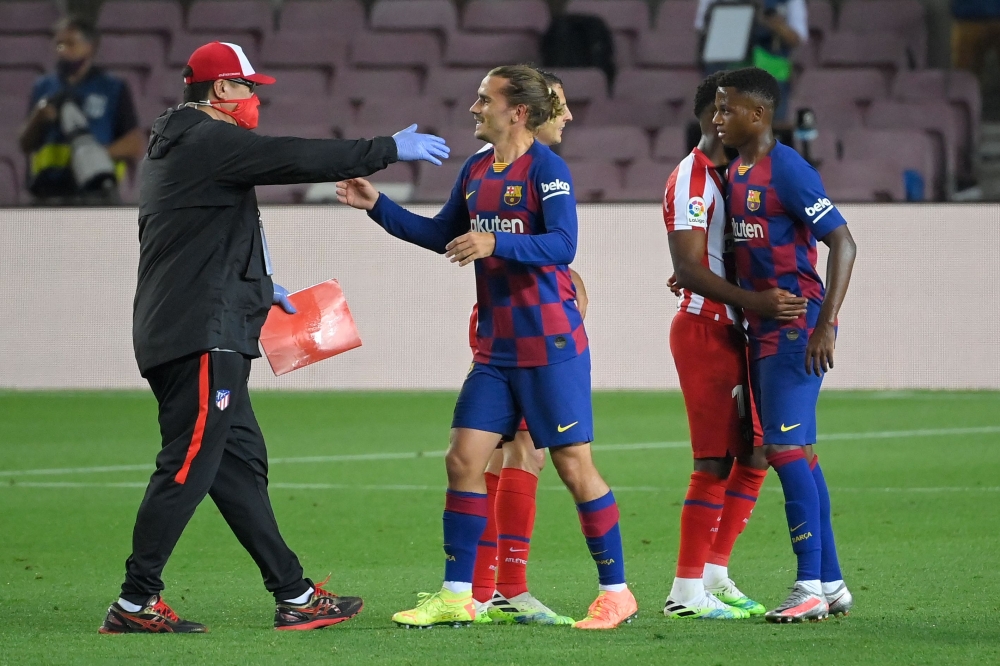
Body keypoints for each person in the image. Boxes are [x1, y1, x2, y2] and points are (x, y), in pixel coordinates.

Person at [99, 41, 449, 634]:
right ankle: (134, 602)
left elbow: (193, 237)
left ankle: (294, 594)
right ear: (220, 92)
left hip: (198, 326)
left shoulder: (182, 143)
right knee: (186, 467)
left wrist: (259, 284)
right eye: (249, 88)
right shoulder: (206, 139)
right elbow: (291, 158)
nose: (256, 99)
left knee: (237, 467)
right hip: (201, 335)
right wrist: (386, 149)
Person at [337, 65, 638, 630]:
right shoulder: (476, 170)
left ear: (516, 111)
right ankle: (459, 594)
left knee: (575, 467)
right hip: (496, 349)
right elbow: (439, 234)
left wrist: (496, 240)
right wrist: (377, 204)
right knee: (463, 459)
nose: (474, 108)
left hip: (550, 344)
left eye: (484, 99)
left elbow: (564, 242)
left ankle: (616, 592)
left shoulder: (548, 169)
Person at [713, 67, 857, 623]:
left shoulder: (788, 170)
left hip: (798, 326)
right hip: (766, 328)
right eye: (717, 109)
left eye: (728, 109)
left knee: (785, 451)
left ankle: (809, 585)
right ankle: (834, 581)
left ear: (759, 115)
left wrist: (826, 324)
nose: (719, 118)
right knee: (802, 456)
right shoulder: (739, 170)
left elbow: (843, 241)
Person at [663, 71, 807, 620]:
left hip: (735, 328)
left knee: (754, 451)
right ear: (711, 115)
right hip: (705, 330)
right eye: (721, 111)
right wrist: (757, 301)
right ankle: (685, 590)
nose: (727, 120)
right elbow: (689, 267)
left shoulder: (728, 177)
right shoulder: (692, 180)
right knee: (712, 461)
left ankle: (716, 572)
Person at [468, 70, 585, 626]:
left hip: (520, 320)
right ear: (529, 110)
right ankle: (499, 586)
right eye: (558, 106)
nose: (563, 117)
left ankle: (488, 586)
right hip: (519, 329)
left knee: (510, 452)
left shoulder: (535, 170)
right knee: (518, 453)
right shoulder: (515, 167)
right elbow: (555, 245)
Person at [18, 16, 146, 203]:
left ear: (90, 46)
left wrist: (94, 156)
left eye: (70, 44)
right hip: (47, 194)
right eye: (58, 44)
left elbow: (135, 144)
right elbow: (24, 145)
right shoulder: (43, 87)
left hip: (95, 193)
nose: (62, 50)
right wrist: (38, 117)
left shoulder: (112, 87)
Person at [696, 0, 808, 120]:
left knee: (770, 130)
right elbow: (703, 29)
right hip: (727, 77)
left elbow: (797, 38)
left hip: (771, 81)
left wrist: (775, 25)